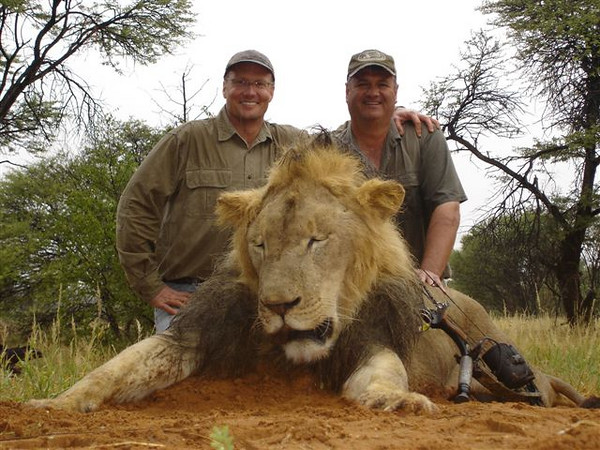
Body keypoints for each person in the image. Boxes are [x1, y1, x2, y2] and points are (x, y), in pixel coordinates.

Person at [116, 50, 439, 333]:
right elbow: (136, 207)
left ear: (271, 91)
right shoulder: (186, 141)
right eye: (240, 82)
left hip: (255, 290)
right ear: (225, 87)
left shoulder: (293, 144)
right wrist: (152, 287)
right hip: (187, 292)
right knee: (178, 373)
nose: (250, 91)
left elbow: (340, 155)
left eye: (260, 84)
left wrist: (384, 116)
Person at [334, 49, 467, 288]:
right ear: (347, 92)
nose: (373, 92)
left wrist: (429, 273)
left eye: (382, 84)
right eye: (362, 84)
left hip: (419, 281)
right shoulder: (327, 147)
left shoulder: (425, 136)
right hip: (351, 286)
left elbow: (447, 208)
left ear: (395, 92)